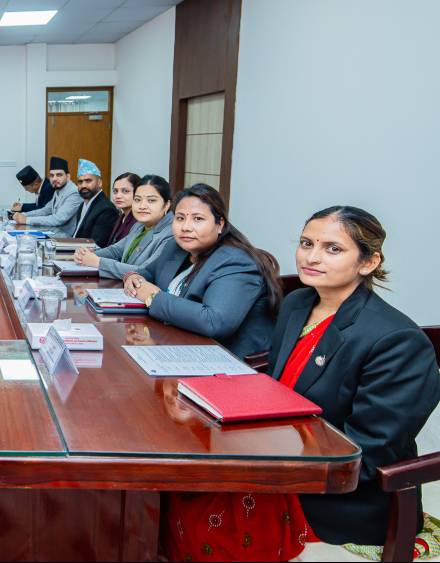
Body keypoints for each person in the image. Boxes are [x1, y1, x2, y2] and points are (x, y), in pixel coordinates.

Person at [163, 206, 440, 562]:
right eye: (307, 243)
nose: (312, 257)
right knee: (175, 487)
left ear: (368, 262)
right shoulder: (297, 302)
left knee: (207, 521)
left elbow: (368, 453)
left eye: (333, 249)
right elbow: (277, 383)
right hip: (275, 451)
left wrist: (270, 465)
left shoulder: (396, 341)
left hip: (334, 489)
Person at [123, 184, 281, 358]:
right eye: (180, 218)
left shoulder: (236, 262)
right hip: (176, 340)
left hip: (225, 358)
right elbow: (148, 273)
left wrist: (153, 298)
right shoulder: (176, 247)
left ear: (220, 224)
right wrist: (134, 277)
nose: (186, 227)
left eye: (198, 219)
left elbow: (213, 321)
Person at [73, 174, 173, 279]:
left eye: (151, 200)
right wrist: (88, 254)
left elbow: (145, 272)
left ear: (167, 205)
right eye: (137, 200)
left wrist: (99, 262)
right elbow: (116, 250)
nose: (142, 206)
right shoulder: (139, 225)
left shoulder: (170, 233)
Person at [12, 156, 82, 238]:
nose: (54, 179)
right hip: (55, 234)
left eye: (59, 175)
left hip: (66, 239)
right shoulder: (58, 189)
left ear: (68, 176)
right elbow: (45, 210)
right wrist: (24, 215)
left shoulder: (74, 193)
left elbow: (58, 219)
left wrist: (27, 220)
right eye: (52, 175)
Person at [68, 158, 119, 247]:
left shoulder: (106, 209)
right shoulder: (82, 205)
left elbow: (96, 245)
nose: (83, 185)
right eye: (80, 182)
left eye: (88, 181)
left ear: (99, 183)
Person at [105, 172, 141, 246]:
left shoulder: (139, 220)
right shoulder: (122, 216)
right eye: (115, 191)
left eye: (125, 191)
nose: (118, 196)